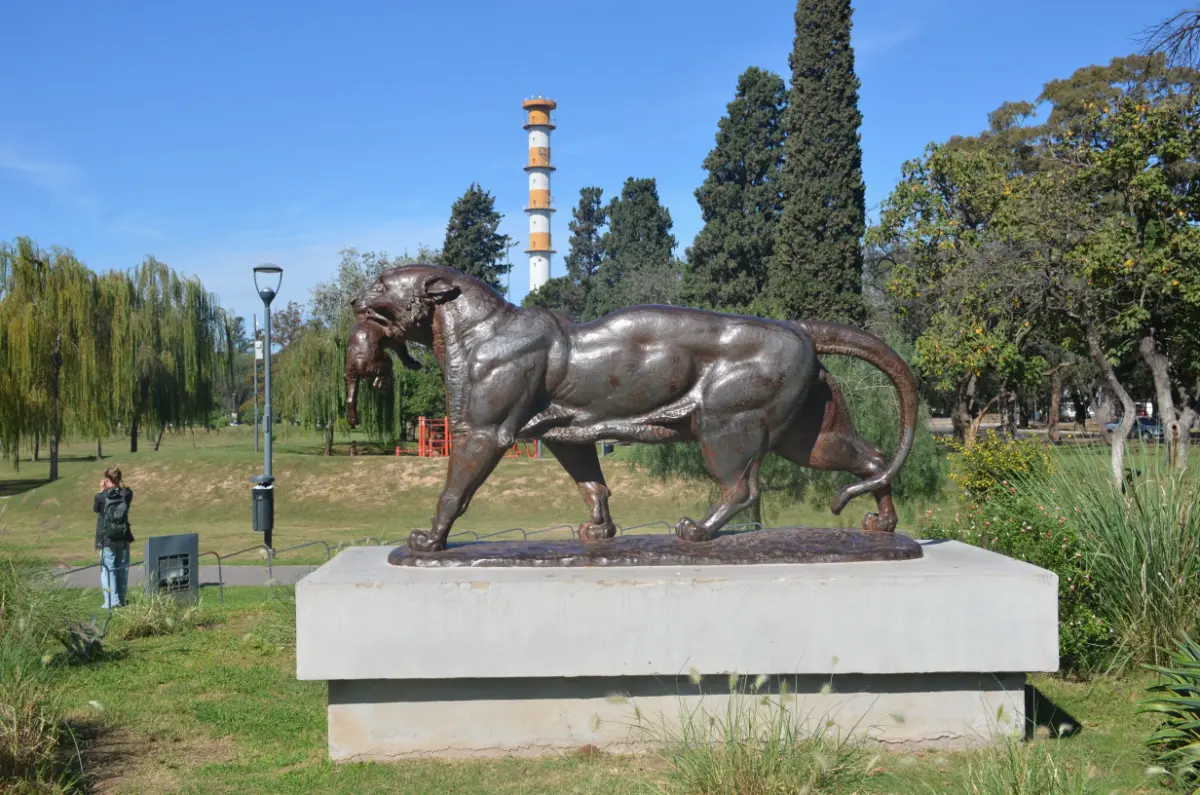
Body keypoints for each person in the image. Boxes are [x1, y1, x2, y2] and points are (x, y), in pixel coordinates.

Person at [94, 467, 134, 609]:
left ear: (108, 479)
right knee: (122, 568)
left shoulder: (101, 496)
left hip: (106, 539)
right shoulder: (127, 494)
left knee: (107, 570)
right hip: (123, 537)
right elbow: (125, 496)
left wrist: (101, 490)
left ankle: (111, 601)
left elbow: (97, 509)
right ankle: (121, 600)